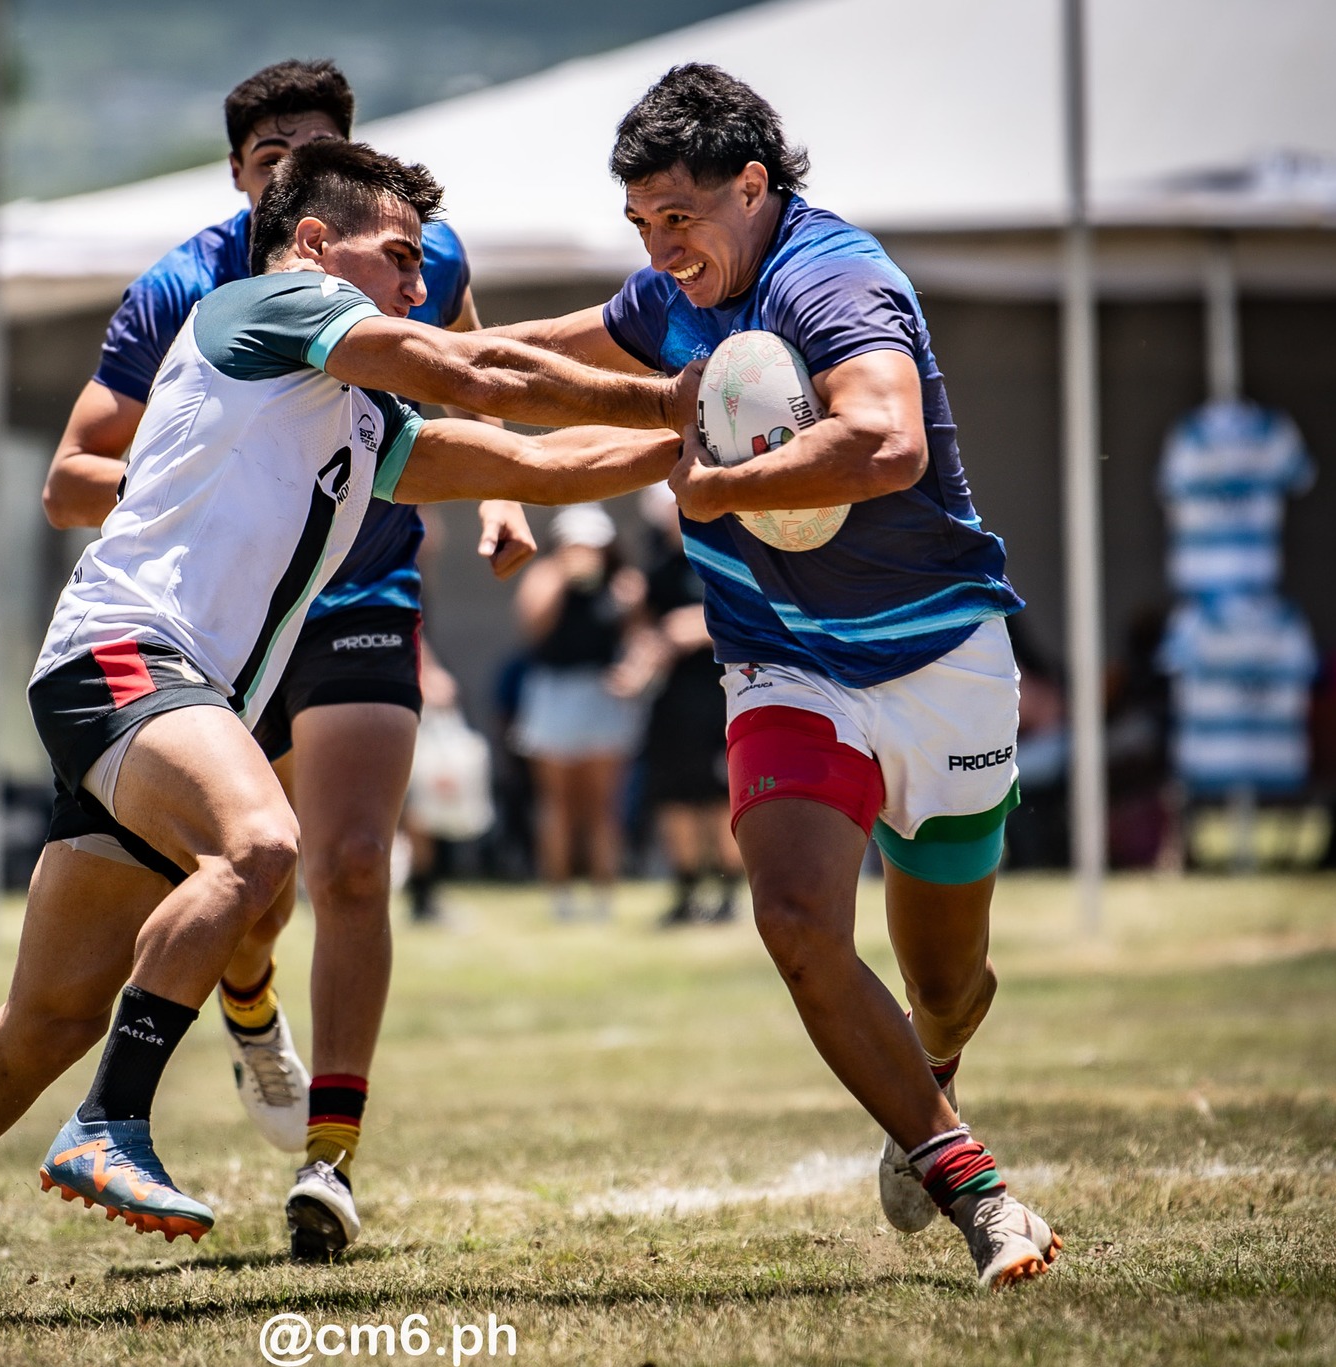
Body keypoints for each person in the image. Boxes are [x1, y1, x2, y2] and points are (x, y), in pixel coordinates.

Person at [0, 139, 693, 1323]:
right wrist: (670, 389)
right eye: (400, 257)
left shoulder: (356, 425)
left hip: (155, 690)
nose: (419, 285)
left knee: (50, 1012)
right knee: (264, 844)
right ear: (315, 245)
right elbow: (472, 373)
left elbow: (532, 458)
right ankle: (112, 1118)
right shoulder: (272, 303)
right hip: (125, 656)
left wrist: (700, 444)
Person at [489, 66, 1060, 1289]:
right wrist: (407, 364)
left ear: (752, 185)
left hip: (938, 657)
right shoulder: (669, 292)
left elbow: (887, 443)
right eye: (640, 223)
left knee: (946, 982)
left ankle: (932, 1064)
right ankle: (978, 1188)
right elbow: (537, 362)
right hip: (780, 658)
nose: (659, 248)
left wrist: (713, 483)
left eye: (679, 217)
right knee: (797, 919)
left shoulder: (831, 276)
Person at [42, 59, 537, 1258]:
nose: (291, 167)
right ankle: (250, 1010)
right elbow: (69, 480)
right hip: (229, 619)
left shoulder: (413, 255)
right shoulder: (186, 285)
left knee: (354, 860)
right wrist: (213, 485)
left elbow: (465, 359)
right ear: (246, 181)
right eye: (271, 154)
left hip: (364, 585)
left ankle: (332, 1159)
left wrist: (503, 486)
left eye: (316, 146)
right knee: (252, 879)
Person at [510, 503, 646, 922]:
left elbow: (640, 638)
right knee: (557, 802)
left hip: (603, 693)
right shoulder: (545, 575)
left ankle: (604, 894)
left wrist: (631, 611)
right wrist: (561, 576)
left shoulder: (623, 582)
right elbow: (532, 625)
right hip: (553, 692)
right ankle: (561, 896)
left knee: (603, 804)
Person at [632, 482, 745, 924]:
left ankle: (729, 894)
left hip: (723, 692)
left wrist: (700, 626)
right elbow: (645, 632)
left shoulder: (727, 555)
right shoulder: (655, 568)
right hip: (673, 701)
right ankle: (685, 891)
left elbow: (758, 609)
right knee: (675, 795)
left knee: (721, 795)